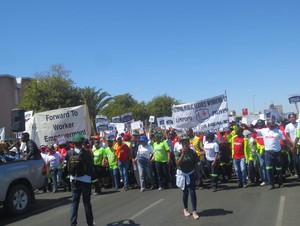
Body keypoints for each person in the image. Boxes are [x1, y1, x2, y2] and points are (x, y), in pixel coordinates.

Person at [243, 120, 289, 190]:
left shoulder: (279, 131)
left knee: (279, 169)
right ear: (268, 124)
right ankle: (271, 184)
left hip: (277, 153)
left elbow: (284, 141)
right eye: (270, 123)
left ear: (274, 124)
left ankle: (280, 183)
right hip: (268, 153)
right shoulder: (264, 131)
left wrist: (290, 148)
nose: (272, 124)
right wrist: (246, 127)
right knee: (268, 169)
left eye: (273, 123)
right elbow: (254, 131)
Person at [69, 134, 95, 226]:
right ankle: (90, 223)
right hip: (86, 180)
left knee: (74, 203)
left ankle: (73, 224)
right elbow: (91, 166)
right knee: (87, 203)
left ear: (74, 143)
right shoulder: (86, 153)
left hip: (74, 180)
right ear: (82, 143)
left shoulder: (69, 153)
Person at [175, 135, 200, 220]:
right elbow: (177, 164)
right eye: (183, 142)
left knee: (192, 191)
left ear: (189, 143)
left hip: (191, 173)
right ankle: (185, 209)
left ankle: (194, 211)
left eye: (186, 142)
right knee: (185, 192)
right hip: (182, 174)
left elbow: (196, 164)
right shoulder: (178, 152)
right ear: (181, 143)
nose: (185, 144)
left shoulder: (193, 152)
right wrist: (182, 154)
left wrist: (198, 177)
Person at [285, 113, 300, 181]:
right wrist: (293, 143)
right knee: (296, 162)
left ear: (295, 117)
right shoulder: (288, 126)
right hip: (294, 146)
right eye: (290, 117)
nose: (292, 118)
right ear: (289, 119)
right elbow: (287, 136)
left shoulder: (299, 124)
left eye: (293, 117)